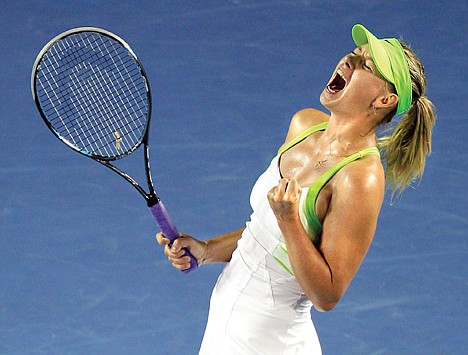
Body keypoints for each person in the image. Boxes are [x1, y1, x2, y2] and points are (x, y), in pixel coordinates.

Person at [156, 24, 435, 354]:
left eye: (366, 65)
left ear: (385, 100)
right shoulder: (303, 124)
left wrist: (290, 221)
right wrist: (207, 249)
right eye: (356, 54)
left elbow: (327, 295)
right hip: (223, 330)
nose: (349, 60)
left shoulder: (360, 178)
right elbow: (263, 235)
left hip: (273, 343)